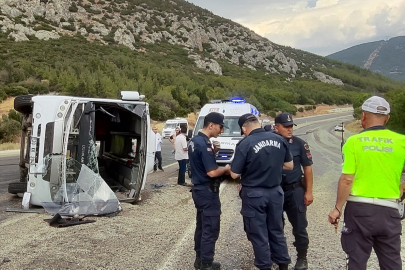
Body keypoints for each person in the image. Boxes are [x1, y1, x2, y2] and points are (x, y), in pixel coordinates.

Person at [328, 96, 405, 270]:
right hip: (390, 211)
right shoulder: (402, 142)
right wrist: (402, 187)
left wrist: (337, 208)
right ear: (387, 118)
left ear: (363, 116)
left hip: (359, 211)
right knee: (392, 264)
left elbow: (347, 179)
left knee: (356, 262)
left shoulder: (353, 142)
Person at [230, 113, 294, 270]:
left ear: (245, 129)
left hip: (254, 194)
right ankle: (283, 264)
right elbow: (290, 166)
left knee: (258, 234)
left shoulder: (245, 144)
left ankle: (264, 266)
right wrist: (271, 166)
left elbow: (234, 174)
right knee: (277, 230)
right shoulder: (279, 139)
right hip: (276, 193)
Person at [188, 112, 231, 270]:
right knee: (210, 227)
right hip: (207, 191)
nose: (221, 131)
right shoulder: (203, 144)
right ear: (211, 125)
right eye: (220, 127)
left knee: (201, 225)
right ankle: (206, 262)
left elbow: (200, 164)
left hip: (199, 190)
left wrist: (215, 150)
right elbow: (212, 172)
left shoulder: (195, 140)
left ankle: (199, 259)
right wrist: (226, 169)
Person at [274, 112, 313, 270]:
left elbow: (308, 168)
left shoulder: (299, 144)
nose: (290, 129)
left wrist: (309, 191)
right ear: (276, 127)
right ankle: (281, 259)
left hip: (294, 189)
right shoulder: (271, 143)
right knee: (276, 226)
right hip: (275, 190)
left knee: (299, 226)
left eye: (291, 126)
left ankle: (302, 258)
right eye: (286, 127)